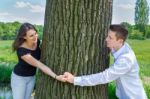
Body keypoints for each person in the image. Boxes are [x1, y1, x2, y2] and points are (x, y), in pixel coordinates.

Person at [64, 25, 148, 99]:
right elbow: (116, 51)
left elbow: (104, 77)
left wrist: (74, 80)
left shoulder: (126, 60)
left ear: (120, 41)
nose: (106, 39)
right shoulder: (123, 47)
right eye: (107, 36)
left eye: (110, 38)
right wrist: (112, 48)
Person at [11, 23, 65, 99]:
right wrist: (56, 76)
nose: (35, 37)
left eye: (35, 33)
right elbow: (40, 65)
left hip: (31, 77)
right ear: (24, 37)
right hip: (19, 78)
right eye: (31, 36)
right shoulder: (22, 51)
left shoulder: (37, 42)